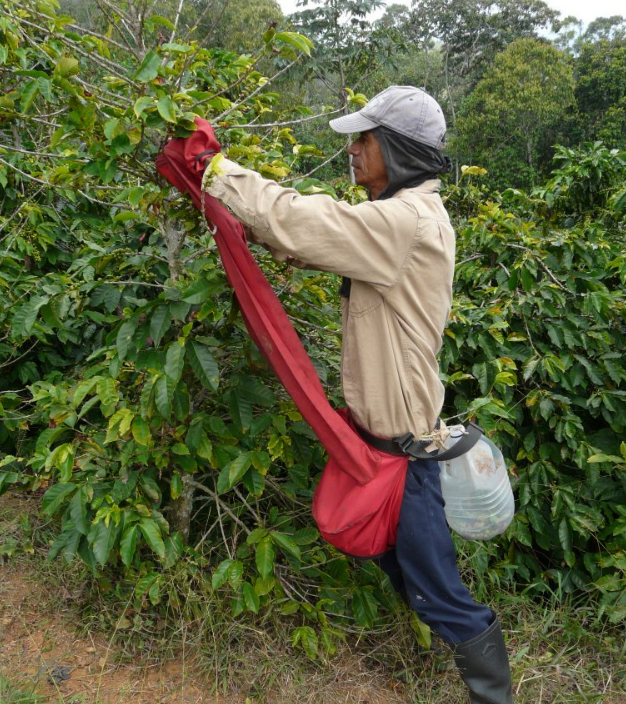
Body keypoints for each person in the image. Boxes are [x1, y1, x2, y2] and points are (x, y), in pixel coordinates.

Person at [203, 85, 514, 704]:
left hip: (404, 459)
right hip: (380, 445)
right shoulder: (398, 219)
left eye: (364, 138)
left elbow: (306, 221)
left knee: (441, 595)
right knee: (415, 579)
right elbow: (303, 242)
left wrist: (219, 173)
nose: (353, 148)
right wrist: (255, 227)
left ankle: (494, 695)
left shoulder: (407, 221)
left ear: (397, 150)